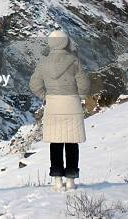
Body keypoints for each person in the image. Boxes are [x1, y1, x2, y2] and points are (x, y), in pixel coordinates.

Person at [29, 30, 90, 191]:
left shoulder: (43, 63)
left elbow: (34, 85)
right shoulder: (74, 61)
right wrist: (81, 96)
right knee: (71, 143)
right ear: (66, 42)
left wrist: (45, 96)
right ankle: (70, 180)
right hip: (71, 104)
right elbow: (84, 83)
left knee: (55, 143)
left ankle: (57, 180)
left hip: (53, 105)